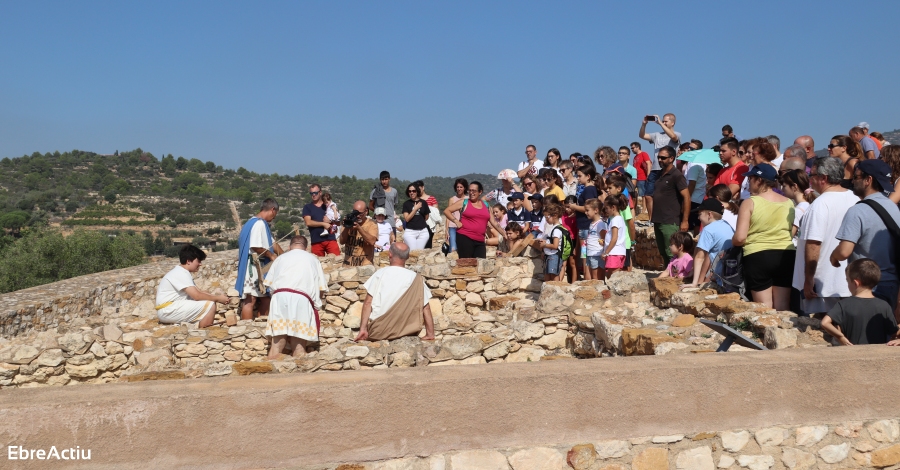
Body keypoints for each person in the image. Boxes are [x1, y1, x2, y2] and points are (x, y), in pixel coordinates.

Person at [831, 159, 900, 312]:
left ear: (868, 180)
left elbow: (844, 251)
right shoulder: (894, 208)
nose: (853, 181)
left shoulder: (858, 211)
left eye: (856, 177)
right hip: (891, 284)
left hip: (868, 287)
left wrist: (833, 256)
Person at [792, 158, 859, 316]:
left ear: (824, 178)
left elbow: (813, 244)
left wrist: (809, 279)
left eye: (812, 175)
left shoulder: (820, 205)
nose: (810, 180)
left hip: (824, 285)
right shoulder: (855, 199)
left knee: (822, 332)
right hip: (850, 283)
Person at [732, 165, 796, 310]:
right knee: (783, 306)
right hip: (786, 254)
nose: (748, 182)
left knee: (763, 309)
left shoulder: (750, 202)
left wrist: (732, 241)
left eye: (750, 178)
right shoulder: (788, 203)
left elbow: (740, 237)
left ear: (759, 180)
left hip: (758, 254)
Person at [355, 242, 435, 342]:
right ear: (407, 257)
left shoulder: (380, 274)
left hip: (380, 331)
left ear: (390, 254)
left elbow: (368, 303)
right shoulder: (416, 278)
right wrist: (430, 334)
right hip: (408, 331)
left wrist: (363, 329)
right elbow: (425, 307)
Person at [264, 236, 328, 359]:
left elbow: (268, 285)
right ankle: (298, 374)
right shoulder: (313, 259)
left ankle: (270, 372)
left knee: (277, 340)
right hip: (302, 299)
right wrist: (315, 306)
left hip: (279, 297)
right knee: (299, 345)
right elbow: (321, 288)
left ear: (289, 246)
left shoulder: (280, 259)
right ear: (306, 248)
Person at [821, 259, 899, 345]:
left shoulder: (843, 304)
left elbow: (825, 323)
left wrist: (840, 337)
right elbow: (894, 331)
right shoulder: (884, 305)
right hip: (877, 354)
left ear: (856, 283)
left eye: (847, 281)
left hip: (852, 353)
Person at [157, 245, 230, 328]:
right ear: (188, 261)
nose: (200, 264)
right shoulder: (181, 273)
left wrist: (215, 296)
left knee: (207, 300)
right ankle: (204, 334)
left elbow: (200, 292)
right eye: (198, 261)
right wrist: (218, 298)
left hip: (169, 309)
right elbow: (197, 296)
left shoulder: (181, 272)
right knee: (210, 305)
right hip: (167, 310)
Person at [236, 198, 283, 320]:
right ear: (273, 210)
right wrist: (271, 255)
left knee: (266, 299)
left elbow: (273, 244)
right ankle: (247, 330)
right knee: (250, 300)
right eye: (275, 214)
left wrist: (285, 256)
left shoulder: (252, 223)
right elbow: (256, 246)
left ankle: (261, 326)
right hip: (253, 269)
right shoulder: (259, 223)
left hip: (257, 269)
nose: (274, 218)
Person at [442, 181, 505, 259]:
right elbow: (446, 211)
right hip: (465, 237)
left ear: (480, 192)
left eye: (474, 191)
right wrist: (456, 221)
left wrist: (504, 234)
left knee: (481, 263)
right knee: (466, 263)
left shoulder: (486, 205)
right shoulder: (464, 202)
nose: (471, 193)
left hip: (480, 239)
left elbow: (494, 222)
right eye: (470, 190)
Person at [650, 146, 690, 266]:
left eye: (663, 157)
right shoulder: (659, 174)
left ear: (672, 158)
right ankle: (668, 276)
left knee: (672, 252)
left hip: (670, 220)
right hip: (658, 219)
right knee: (663, 251)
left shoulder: (676, 175)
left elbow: (687, 197)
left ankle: (675, 278)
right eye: (658, 157)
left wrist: (685, 220)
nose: (660, 160)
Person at [683, 199, 735, 287]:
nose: (698, 218)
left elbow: (700, 257)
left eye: (700, 214)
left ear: (709, 215)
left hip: (719, 278)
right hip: (731, 274)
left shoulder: (708, 229)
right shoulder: (727, 225)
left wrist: (694, 283)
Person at [568, 165, 599, 280]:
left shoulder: (589, 189)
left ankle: (588, 280)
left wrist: (574, 206)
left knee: (585, 255)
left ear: (588, 176)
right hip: (584, 226)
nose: (578, 178)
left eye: (580, 175)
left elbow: (588, 208)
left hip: (585, 227)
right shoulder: (590, 189)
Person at [303, 184, 340, 257]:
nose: (313, 195)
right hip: (316, 241)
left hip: (331, 239)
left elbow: (338, 221)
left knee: (336, 260)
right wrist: (323, 224)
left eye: (315, 193)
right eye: (311, 193)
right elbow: (308, 222)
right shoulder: (307, 207)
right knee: (317, 263)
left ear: (320, 192)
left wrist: (331, 221)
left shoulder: (328, 205)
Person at [339, 200, 378, 266]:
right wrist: (346, 227)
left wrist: (359, 228)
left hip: (364, 265)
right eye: (355, 213)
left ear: (366, 211)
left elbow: (372, 241)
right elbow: (342, 241)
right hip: (348, 265)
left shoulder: (372, 224)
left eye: (360, 213)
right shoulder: (348, 221)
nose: (358, 216)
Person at [536, 203, 565, 282]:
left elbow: (555, 246)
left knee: (554, 276)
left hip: (554, 256)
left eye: (547, 217)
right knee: (547, 276)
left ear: (555, 215)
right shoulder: (554, 228)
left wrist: (544, 245)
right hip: (549, 255)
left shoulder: (556, 230)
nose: (546, 220)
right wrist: (545, 242)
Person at [601, 195, 628, 278]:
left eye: (606, 208)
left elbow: (614, 238)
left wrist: (606, 252)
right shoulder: (619, 219)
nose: (606, 211)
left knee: (612, 277)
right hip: (619, 252)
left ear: (613, 207)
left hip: (614, 252)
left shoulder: (615, 220)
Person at [401, 184, 430, 250]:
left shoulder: (423, 203)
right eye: (410, 191)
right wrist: (415, 209)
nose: (412, 193)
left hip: (423, 231)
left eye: (413, 191)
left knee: (420, 252)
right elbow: (407, 219)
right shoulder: (406, 204)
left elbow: (426, 217)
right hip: (410, 232)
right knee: (413, 252)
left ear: (417, 191)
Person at [583, 198, 605, 281]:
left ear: (596, 210)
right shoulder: (591, 223)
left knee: (597, 279)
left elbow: (604, 239)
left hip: (597, 254)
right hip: (590, 253)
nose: (586, 213)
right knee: (589, 278)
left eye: (587, 210)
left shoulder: (600, 224)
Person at [445, 178, 468, 253]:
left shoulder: (468, 199)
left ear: (464, 188)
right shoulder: (452, 199)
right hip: (453, 226)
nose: (459, 189)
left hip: (464, 226)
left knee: (464, 246)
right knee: (453, 248)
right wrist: (446, 229)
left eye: (461, 187)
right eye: (458, 187)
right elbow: (448, 214)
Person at [632, 142, 652, 213]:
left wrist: (648, 175)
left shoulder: (644, 154)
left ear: (638, 147)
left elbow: (648, 163)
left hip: (642, 177)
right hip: (635, 178)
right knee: (635, 194)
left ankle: (644, 209)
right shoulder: (635, 157)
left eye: (633, 148)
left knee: (643, 194)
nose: (632, 149)